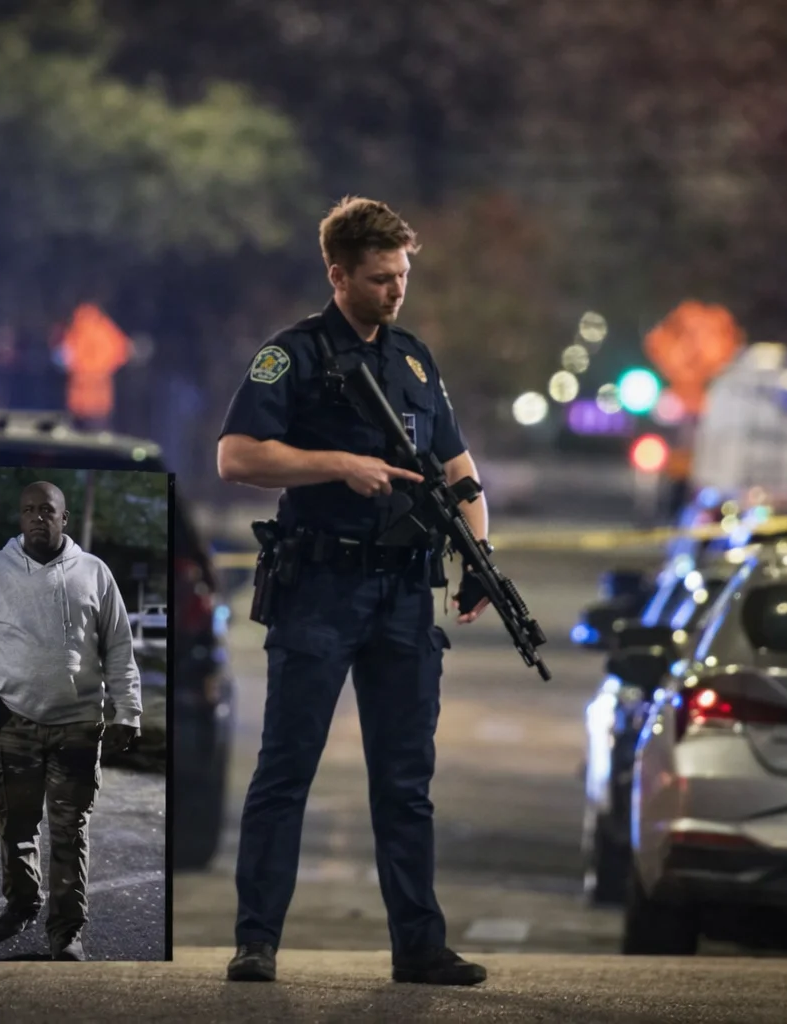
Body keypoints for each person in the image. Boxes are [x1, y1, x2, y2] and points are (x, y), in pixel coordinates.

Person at [216, 196, 493, 986]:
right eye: (379, 278)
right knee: (286, 771)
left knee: (406, 783)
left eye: (402, 276)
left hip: (403, 594)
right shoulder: (294, 355)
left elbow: (458, 467)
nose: (395, 290)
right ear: (338, 275)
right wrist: (337, 464)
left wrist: (478, 550)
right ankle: (257, 941)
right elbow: (236, 456)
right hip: (321, 588)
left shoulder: (413, 359)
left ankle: (420, 947)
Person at [0, 480, 142, 961]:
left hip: (78, 724)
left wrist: (128, 711)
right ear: (20, 518)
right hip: (12, 721)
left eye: (47, 510)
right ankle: (20, 905)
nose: (37, 518)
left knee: (69, 831)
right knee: (15, 826)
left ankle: (66, 932)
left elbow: (118, 648)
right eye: (28, 510)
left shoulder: (94, 572)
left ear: (64, 517)